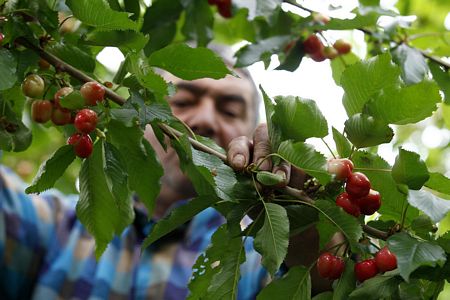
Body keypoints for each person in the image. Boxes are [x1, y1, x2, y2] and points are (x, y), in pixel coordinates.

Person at [0, 47, 330, 299]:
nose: (204, 120)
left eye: (229, 109)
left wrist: (305, 235)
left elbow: (323, 284)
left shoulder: (260, 256)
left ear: (253, 132)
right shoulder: (56, 228)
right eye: (184, 100)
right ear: (140, 118)